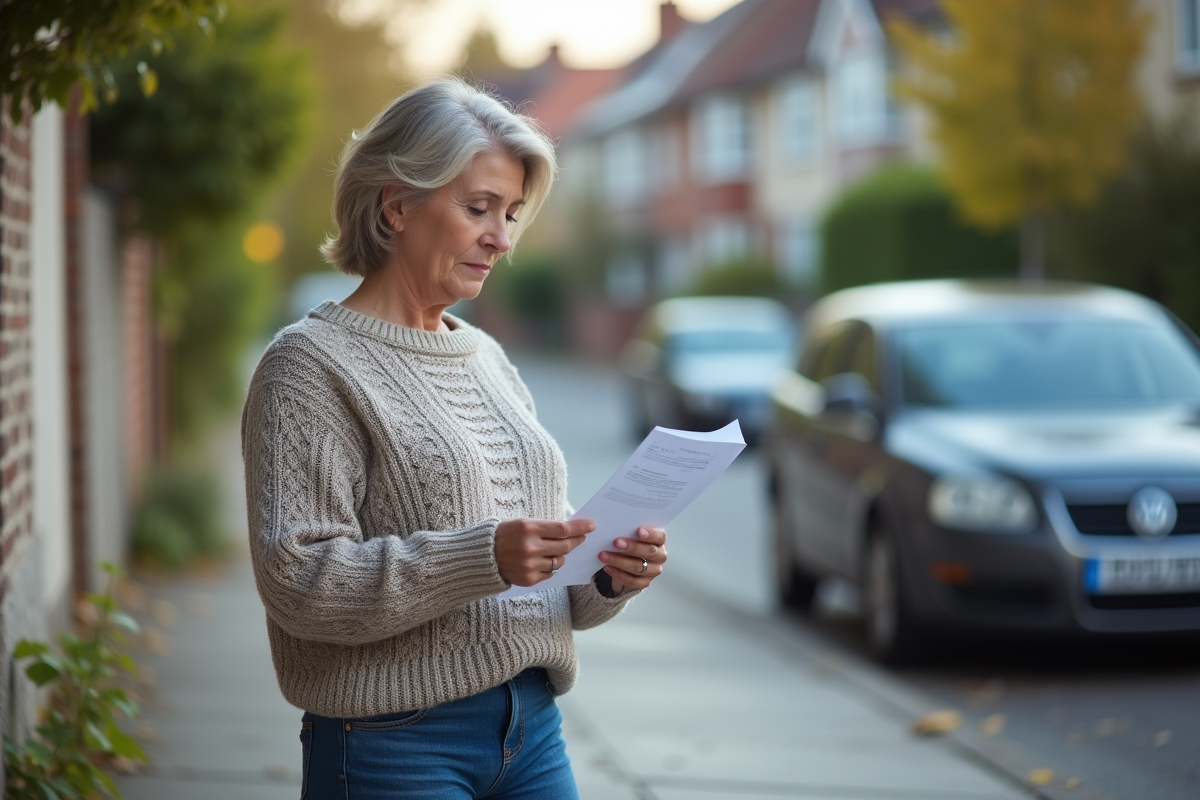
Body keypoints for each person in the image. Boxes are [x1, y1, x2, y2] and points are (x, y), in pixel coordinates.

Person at [240, 78, 668, 800]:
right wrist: (484, 556)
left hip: (532, 729)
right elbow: (298, 580)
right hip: (391, 741)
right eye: (478, 209)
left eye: (510, 213)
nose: (501, 239)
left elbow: (544, 581)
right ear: (397, 204)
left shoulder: (489, 358)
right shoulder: (308, 366)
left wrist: (606, 574)